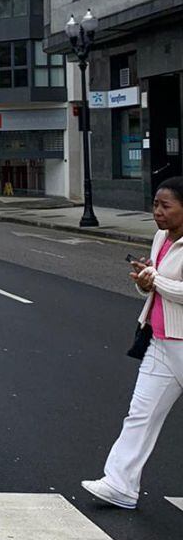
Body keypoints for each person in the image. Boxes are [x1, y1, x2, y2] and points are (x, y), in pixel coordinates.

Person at [82, 176, 183, 510]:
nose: (157, 212)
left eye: (165, 206)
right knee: (139, 415)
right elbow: (157, 288)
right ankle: (119, 485)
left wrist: (155, 279)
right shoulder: (160, 238)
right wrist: (145, 280)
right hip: (160, 343)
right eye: (155, 204)